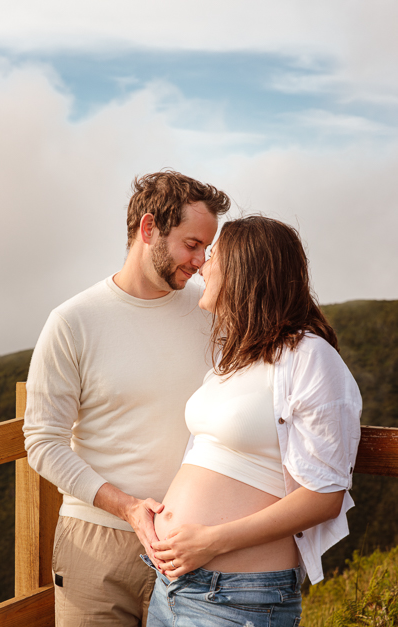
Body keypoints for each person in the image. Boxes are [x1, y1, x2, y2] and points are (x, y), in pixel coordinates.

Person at [23, 170, 230, 627]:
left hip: (190, 545)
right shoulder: (72, 321)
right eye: (191, 244)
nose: (200, 260)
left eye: (206, 248)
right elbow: (42, 441)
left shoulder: (212, 313)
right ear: (149, 228)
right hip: (96, 543)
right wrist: (128, 507)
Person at [142, 216, 362, 627]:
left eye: (216, 257)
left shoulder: (310, 357)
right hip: (172, 585)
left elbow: (325, 494)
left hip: (236, 597)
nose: (203, 266)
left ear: (246, 270)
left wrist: (210, 541)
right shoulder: (234, 360)